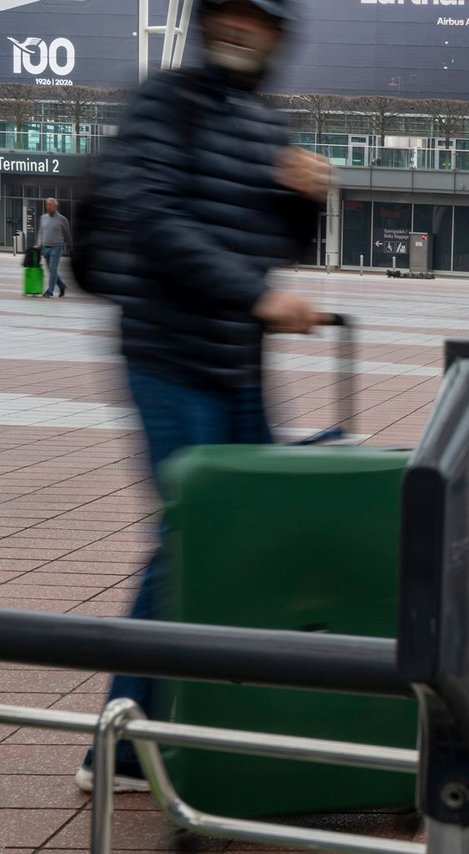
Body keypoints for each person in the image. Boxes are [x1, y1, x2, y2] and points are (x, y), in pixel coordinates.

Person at [74, 0, 332, 793]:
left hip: (238, 368)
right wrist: (254, 295)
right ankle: (116, 744)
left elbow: (270, 239)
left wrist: (304, 199)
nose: (237, 27)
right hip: (168, 354)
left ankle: (207, 715)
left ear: (279, 35)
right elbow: (150, 220)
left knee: (246, 532)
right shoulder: (165, 102)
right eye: (224, 11)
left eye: (255, 18)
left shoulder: (263, 122)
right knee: (189, 531)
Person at [34, 197, 70, 298]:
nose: (48, 207)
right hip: (45, 247)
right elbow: (41, 231)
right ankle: (62, 286)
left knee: (53, 268)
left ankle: (50, 291)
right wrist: (38, 243)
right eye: (47, 205)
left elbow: (67, 234)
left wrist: (70, 247)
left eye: (50, 205)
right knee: (50, 270)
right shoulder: (43, 217)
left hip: (57, 246)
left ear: (55, 206)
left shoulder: (62, 219)